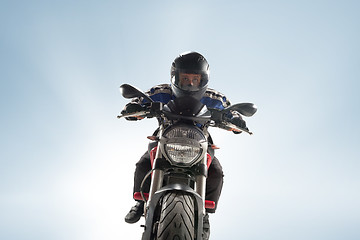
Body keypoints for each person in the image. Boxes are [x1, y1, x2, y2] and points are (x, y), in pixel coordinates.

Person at [121, 51, 247, 237]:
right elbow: (139, 101)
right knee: (143, 163)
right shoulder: (161, 92)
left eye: (194, 79)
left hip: (200, 143)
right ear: (175, 77)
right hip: (165, 138)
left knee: (217, 172)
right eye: (185, 78)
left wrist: (236, 122)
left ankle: (205, 215)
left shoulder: (214, 97)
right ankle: (140, 203)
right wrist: (133, 109)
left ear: (202, 80)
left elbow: (230, 112)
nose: (189, 83)